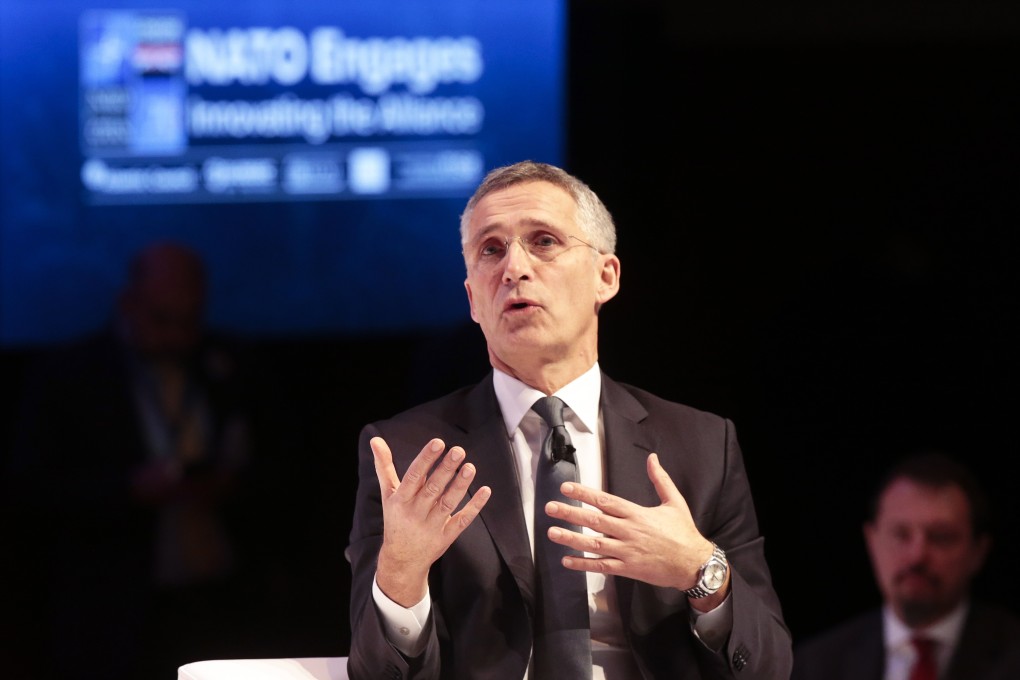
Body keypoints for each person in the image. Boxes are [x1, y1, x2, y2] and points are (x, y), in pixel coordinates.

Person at [346, 161, 792, 679]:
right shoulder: (406, 455)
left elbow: (768, 667)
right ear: (472, 299)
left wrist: (701, 572)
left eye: (543, 241)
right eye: (491, 250)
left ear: (606, 277)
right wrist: (401, 575)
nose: (513, 268)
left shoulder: (701, 446)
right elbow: (374, 673)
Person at [7, 240, 253, 680]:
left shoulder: (229, 365)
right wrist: (126, 489)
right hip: (113, 612)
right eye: (162, 319)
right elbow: (31, 489)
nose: (177, 335)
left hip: (218, 603)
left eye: (188, 320)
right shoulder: (68, 376)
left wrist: (226, 484)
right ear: (128, 302)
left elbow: (277, 462)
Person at [791, 450, 1020, 680]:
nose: (917, 556)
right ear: (872, 541)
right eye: (901, 535)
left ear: (978, 552)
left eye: (941, 537)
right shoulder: (815, 666)